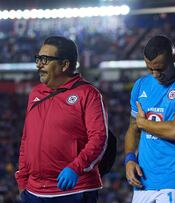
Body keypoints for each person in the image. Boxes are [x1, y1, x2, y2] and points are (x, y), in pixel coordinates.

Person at [15, 36, 108, 203]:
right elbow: (26, 140)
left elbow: (99, 138)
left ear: (64, 65)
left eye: (45, 60)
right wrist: (22, 179)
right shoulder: (35, 94)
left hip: (74, 190)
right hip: (33, 192)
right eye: (38, 59)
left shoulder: (88, 93)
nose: (39, 64)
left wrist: (76, 168)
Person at [124, 35, 175, 203]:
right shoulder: (141, 85)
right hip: (143, 180)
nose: (155, 74)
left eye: (160, 68)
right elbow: (133, 129)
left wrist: (143, 123)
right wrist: (129, 159)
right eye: (150, 69)